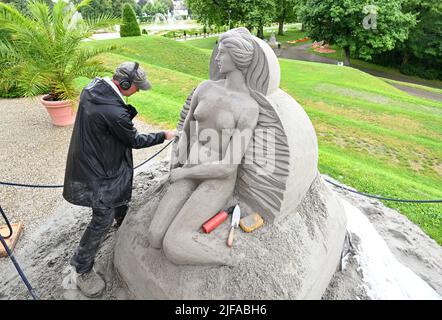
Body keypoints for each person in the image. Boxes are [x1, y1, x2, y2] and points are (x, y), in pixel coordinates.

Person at [63, 61, 176, 297]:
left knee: (118, 198)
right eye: (137, 87)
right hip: (97, 171)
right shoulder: (113, 112)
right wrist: (164, 135)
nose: (138, 91)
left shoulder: (94, 88)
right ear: (124, 84)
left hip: (94, 156)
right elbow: (134, 140)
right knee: (101, 218)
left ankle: (122, 221)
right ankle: (80, 268)